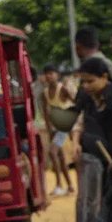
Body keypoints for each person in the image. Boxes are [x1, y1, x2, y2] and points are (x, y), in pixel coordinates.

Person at [70, 57, 112, 162]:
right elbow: (79, 124)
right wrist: (75, 143)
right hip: (95, 160)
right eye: (83, 82)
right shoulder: (87, 99)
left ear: (104, 77)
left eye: (90, 81)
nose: (85, 86)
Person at [38, 64, 76, 196]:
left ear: (57, 75)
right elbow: (45, 112)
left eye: (51, 73)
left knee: (52, 153)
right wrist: (49, 130)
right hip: (55, 127)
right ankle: (70, 185)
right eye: (46, 73)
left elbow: (75, 103)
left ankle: (59, 185)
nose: (49, 76)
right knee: (59, 156)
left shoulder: (63, 89)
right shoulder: (45, 93)